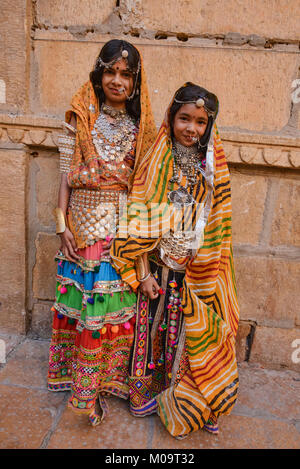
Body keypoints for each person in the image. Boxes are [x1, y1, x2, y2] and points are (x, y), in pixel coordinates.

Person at [111, 83, 240, 438]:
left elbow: (219, 226)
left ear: (209, 126)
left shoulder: (212, 169)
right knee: (153, 334)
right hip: (156, 270)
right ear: (172, 117)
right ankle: (148, 394)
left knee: (190, 338)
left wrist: (207, 272)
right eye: (185, 118)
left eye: (201, 122)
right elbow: (134, 220)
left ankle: (195, 400)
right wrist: (141, 273)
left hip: (196, 274)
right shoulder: (156, 161)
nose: (191, 128)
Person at [47, 39, 156, 426]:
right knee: (86, 312)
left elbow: (142, 189)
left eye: (126, 74)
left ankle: (105, 382)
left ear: (135, 81)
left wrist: (141, 252)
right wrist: (62, 225)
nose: (117, 80)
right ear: (99, 73)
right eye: (110, 71)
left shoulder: (142, 127)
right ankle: (84, 392)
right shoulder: (81, 117)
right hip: (81, 227)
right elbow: (64, 175)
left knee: (111, 315)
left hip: (121, 232)